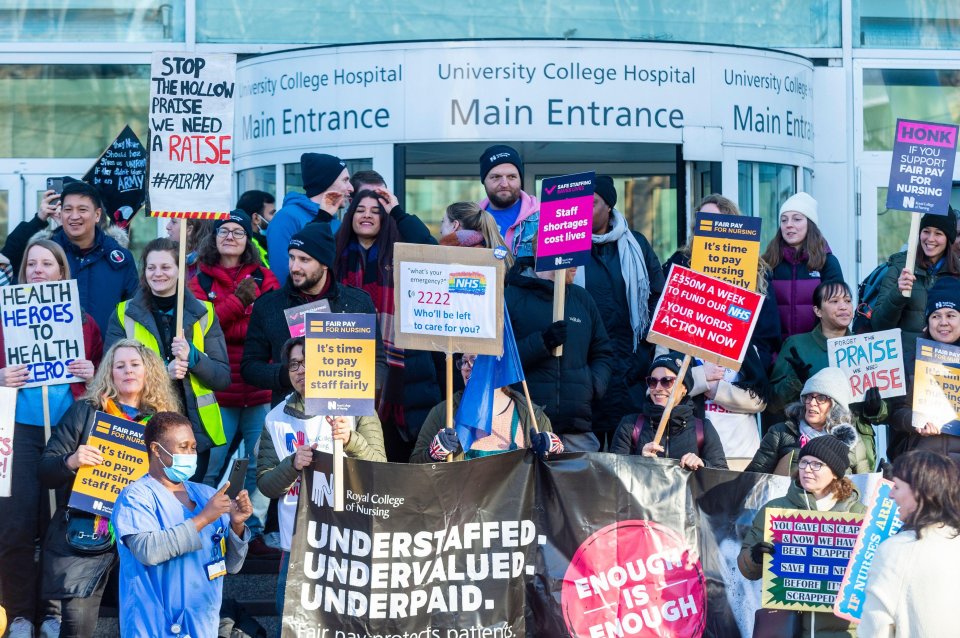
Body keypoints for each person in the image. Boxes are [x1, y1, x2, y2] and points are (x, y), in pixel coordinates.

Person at [38, 339, 180, 638]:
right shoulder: (85, 412)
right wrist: (71, 460)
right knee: (77, 628)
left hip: (141, 536)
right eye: (119, 365)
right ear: (109, 374)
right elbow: (45, 471)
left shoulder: (165, 423)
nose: (127, 370)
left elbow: (181, 480)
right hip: (85, 534)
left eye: (134, 364)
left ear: (148, 371)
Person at [0, 239, 102, 638]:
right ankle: (20, 613)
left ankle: (54, 611)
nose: (38, 270)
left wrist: (91, 373)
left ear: (62, 272)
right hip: (15, 433)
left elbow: (104, 384)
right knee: (15, 524)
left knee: (62, 523)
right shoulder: (3, 318)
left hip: (67, 433)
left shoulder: (85, 322)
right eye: (31, 264)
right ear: (23, 272)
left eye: (47, 264)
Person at [256, 337, 385, 613]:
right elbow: (266, 484)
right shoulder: (275, 419)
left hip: (349, 542)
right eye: (294, 364)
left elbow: (380, 467)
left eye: (308, 362)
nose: (301, 370)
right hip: (298, 545)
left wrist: (351, 440)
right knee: (290, 624)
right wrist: (292, 465)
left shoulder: (358, 407)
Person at [112, 411, 252, 637]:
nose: (190, 454)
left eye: (193, 447)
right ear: (156, 450)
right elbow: (148, 551)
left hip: (202, 625)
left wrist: (236, 525)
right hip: (155, 627)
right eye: (183, 447)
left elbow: (231, 566)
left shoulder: (206, 494)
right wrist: (204, 518)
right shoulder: (136, 497)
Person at [187, 210, 280, 549]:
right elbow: (202, 330)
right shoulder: (198, 279)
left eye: (238, 232)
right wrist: (239, 302)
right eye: (223, 231)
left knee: (261, 465)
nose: (230, 237)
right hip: (217, 391)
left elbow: (267, 327)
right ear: (212, 238)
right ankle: (205, 522)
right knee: (210, 464)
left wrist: (225, 318)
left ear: (248, 240)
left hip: (257, 389)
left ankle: (250, 524)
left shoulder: (265, 277)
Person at [105, 238, 231, 480]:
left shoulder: (204, 313)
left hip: (193, 430)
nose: (157, 274)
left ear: (179, 271)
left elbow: (222, 378)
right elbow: (112, 371)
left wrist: (193, 356)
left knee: (187, 502)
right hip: (142, 425)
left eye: (165, 267)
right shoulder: (124, 313)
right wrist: (163, 372)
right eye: (151, 267)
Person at [333, 189, 439, 461]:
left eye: (376, 210)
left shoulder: (401, 253)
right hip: (348, 365)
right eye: (360, 209)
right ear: (350, 216)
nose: (367, 214)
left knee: (396, 458)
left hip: (400, 371)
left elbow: (432, 250)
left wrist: (399, 212)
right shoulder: (334, 256)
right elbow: (305, 254)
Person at [242, 223, 387, 407]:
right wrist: (289, 374)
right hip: (290, 417)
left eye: (304, 260)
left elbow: (378, 361)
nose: (294, 267)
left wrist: (360, 385)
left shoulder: (356, 302)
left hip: (345, 414)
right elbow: (250, 367)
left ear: (324, 264)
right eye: (292, 257)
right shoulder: (269, 305)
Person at [738, 435, 866, 638]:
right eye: (804, 462)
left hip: (842, 630)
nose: (807, 469)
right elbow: (747, 570)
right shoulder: (776, 510)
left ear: (835, 473)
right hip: (788, 629)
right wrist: (754, 557)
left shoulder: (859, 516)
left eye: (817, 464)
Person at [580, 176, 666, 449]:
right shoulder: (566, 246)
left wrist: (645, 349)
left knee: (628, 453)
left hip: (631, 367)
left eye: (592, 203)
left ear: (609, 207)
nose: (584, 209)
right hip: (584, 366)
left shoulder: (636, 245)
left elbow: (657, 295)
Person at [768, 280, 887, 467]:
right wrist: (796, 382)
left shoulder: (867, 346)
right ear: (817, 311)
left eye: (848, 301)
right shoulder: (797, 346)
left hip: (857, 452)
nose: (843, 307)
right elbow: (773, 404)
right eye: (834, 301)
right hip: (807, 448)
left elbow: (885, 413)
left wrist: (876, 409)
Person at [505, 257, 613, 452]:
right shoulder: (511, 298)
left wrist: (593, 385)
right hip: (526, 426)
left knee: (578, 483)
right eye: (569, 257)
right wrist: (542, 343)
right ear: (547, 257)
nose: (576, 265)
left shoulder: (582, 299)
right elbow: (501, 359)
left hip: (576, 429)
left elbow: (602, 351)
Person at [663, 194, 782, 370]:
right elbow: (667, 315)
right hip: (689, 367)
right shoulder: (681, 262)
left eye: (713, 220)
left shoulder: (756, 271)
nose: (707, 226)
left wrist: (750, 363)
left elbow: (767, 331)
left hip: (738, 369)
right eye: (701, 221)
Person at [0, 181, 137, 333]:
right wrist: (39, 219)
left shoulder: (121, 259)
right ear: (61, 212)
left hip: (107, 353)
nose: (74, 216)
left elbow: (135, 311)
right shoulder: (43, 254)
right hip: (53, 351)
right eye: (68, 209)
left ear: (97, 215)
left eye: (82, 209)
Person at [859, 450, 960, 638]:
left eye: (896, 486)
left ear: (918, 491)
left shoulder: (896, 551)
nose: (890, 495)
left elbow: (876, 631)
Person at [410, 353, 560, 462]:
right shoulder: (444, 413)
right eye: (463, 361)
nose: (466, 368)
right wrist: (433, 455)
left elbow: (555, 479)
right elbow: (414, 469)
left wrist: (552, 452)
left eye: (474, 360)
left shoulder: (533, 417)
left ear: (497, 365)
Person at [871, 207, 960, 363]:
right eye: (926, 231)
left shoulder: (957, 272)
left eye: (938, 233)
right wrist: (897, 294)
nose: (930, 239)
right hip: (905, 365)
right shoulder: (900, 267)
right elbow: (879, 326)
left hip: (949, 365)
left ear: (949, 238)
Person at [746, 367, 871, 475]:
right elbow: (755, 477)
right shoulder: (780, 433)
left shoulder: (853, 442)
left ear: (835, 406)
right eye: (808, 396)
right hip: (788, 502)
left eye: (821, 398)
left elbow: (863, 485)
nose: (811, 403)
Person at [610, 354, 727, 469]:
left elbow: (722, 476)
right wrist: (639, 461)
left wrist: (703, 465)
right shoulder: (630, 425)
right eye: (652, 381)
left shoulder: (703, 428)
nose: (658, 388)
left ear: (684, 388)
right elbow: (612, 474)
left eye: (667, 381)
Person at [888, 278, 960, 462]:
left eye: (951, 315)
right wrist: (916, 421)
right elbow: (895, 413)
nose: (943, 322)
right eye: (936, 316)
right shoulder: (910, 360)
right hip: (921, 464)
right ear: (927, 321)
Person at [762, 192, 845, 340]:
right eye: (784, 220)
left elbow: (837, 311)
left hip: (815, 352)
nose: (789, 225)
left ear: (810, 224)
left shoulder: (828, 263)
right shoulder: (768, 263)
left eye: (797, 219)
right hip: (775, 354)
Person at [268, 153, 352, 282]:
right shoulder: (286, 218)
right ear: (326, 181)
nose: (351, 188)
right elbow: (282, 274)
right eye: (345, 180)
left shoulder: (336, 223)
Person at [477, 144, 538, 253]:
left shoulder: (544, 219)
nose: (504, 184)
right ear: (484, 181)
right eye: (495, 177)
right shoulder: (470, 220)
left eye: (511, 177)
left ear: (520, 179)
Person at [439, 201, 514, 269]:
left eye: (443, 221)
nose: (440, 230)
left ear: (454, 225)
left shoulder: (449, 258)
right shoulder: (490, 252)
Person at [235, 189, 276, 266]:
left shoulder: (258, 241)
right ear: (256, 218)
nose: (275, 218)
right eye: (272, 213)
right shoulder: (249, 247)